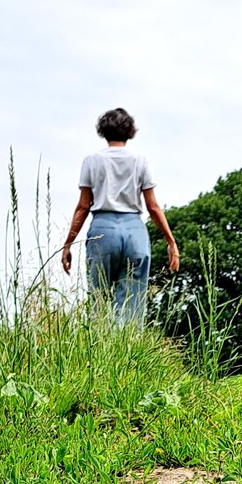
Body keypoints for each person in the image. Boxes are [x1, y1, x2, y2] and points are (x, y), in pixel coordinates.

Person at [61, 108, 180, 324]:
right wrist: (171, 241)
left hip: (102, 229)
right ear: (129, 131)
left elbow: (83, 206)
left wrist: (68, 244)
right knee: (133, 300)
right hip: (135, 229)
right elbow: (153, 206)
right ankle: (129, 350)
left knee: (99, 297)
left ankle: (100, 349)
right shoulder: (141, 161)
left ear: (103, 130)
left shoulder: (91, 161)